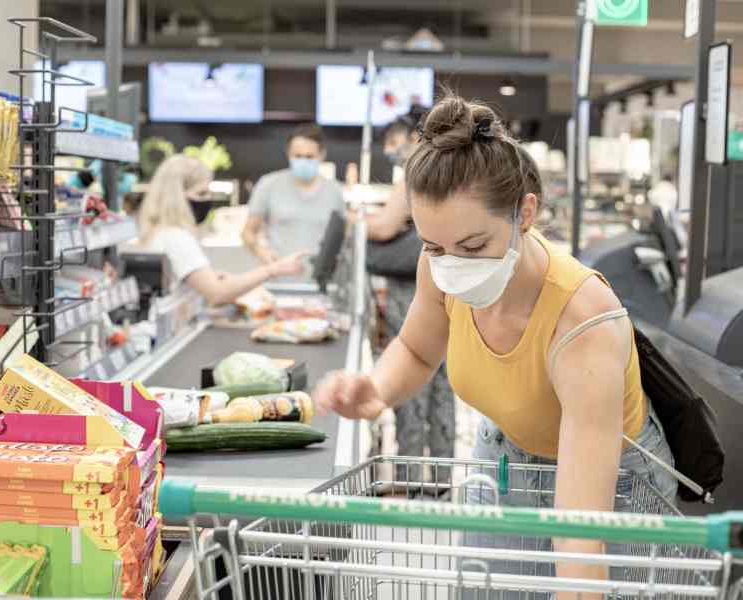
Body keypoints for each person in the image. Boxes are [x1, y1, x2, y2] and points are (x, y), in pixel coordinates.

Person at [315, 95, 676, 589]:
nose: (451, 265)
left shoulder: (581, 322)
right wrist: (376, 389)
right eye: (432, 246)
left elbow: (581, 536)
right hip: (506, 459)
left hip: (615, 486)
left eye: (473, 246)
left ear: (523, 213)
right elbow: (419, 350)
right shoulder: (440, 270)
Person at [365, 107, 455, 487]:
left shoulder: (416, 175)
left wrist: (359, 222)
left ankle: (410, 480)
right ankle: (443, 482)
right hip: (452, 286)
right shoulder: (455, 171)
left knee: (412, 383)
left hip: (413, 286)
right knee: (444, 386)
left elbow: (384, 227)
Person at [136, 155, 306, 305]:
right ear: (177, 197)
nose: (208, 200)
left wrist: (209, 276)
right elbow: (218, 293)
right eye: (202, 194)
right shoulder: (175, 237)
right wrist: (273, 269)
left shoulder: (162, 232)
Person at [242, 124, 346, 272]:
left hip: (321, 282)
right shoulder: (269, 184)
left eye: (309, 156)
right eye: (298, 156)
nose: (303, 161)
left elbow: (343, 236)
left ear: (322, 155)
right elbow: (248, 232)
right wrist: (262, 253)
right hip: (277, 280)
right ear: (288, 153)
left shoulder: (334, 190)